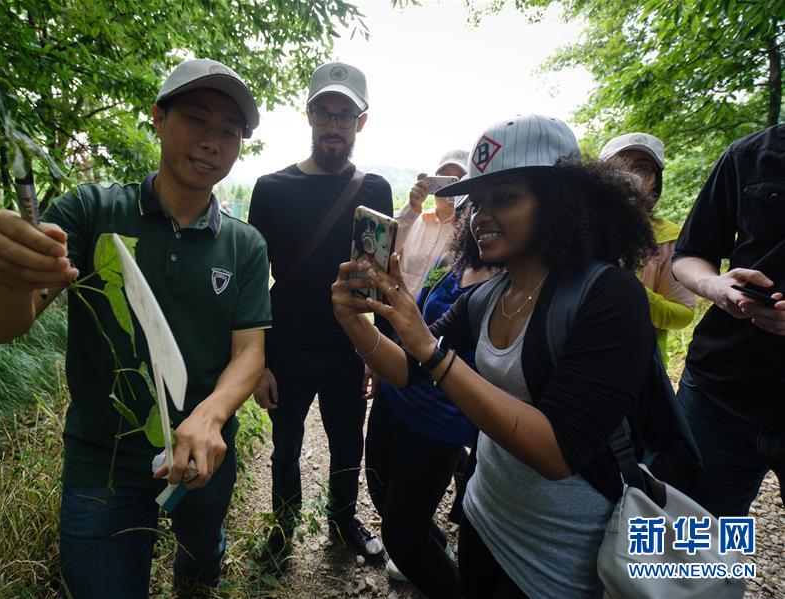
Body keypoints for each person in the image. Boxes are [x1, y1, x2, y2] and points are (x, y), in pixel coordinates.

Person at [0, 59, 271, 596]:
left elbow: (249, 351)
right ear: (158, 118)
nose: (213, 142)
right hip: (99, 460)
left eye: (229, 131)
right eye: (197, 120)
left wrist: (210, 415)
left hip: (205, 453)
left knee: (201, 560)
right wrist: (10, 277)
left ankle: (197, 571)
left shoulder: (245, 245)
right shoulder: (91, 211)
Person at [332, 114, 658, 597]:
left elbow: (557, 452)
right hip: (484, 521)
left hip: (557, 562)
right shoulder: (487, 297)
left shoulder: (608, 296)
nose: (482, 215)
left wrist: (431, 350)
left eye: (505, 197)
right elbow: (405, 372)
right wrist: (355, 323)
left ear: (562, 197)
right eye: (478, 201)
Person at [248, 62, 392, 569]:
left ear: (361, 122)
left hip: (347, 346)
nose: (334, 126)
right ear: (308, 115)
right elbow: (251, 281)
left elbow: (381, 280)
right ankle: (283, 526)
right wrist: (257, 361)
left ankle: (342, 519)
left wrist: (380, 352)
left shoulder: (374, 190)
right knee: (285, 447)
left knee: (347, 442)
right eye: (325, 114)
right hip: (285, 345)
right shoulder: (271, 188)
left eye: (345, 115)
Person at [365, 203, 499, 597]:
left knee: (401, 534)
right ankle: (433, 549)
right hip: (396, 394)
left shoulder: (510, 285)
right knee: (378, 488)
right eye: (475, 203)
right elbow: (419, 316)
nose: (481, 216)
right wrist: (381, 353)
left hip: (440, 419)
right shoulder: (453, 259)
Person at [672, 124, 785, 517]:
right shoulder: (748, 155)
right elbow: (688, 255)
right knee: (683, 544)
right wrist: (716, 287)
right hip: (718, 392)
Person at [599, 132, 695, 363]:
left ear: (656, 181)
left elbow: (682, 314)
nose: (631, 175)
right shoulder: (573, 225)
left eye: (643, 168)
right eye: (619, 165)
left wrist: (629, 290)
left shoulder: (668, 237)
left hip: (636, 364)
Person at [394, 149, 469, 298]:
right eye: (444, 178)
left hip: (433, 319)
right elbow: (388, 247)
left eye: (458, 180)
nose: (449, 187)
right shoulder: (414, 219)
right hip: (393, 309)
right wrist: (411, 207)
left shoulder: (468, 232)